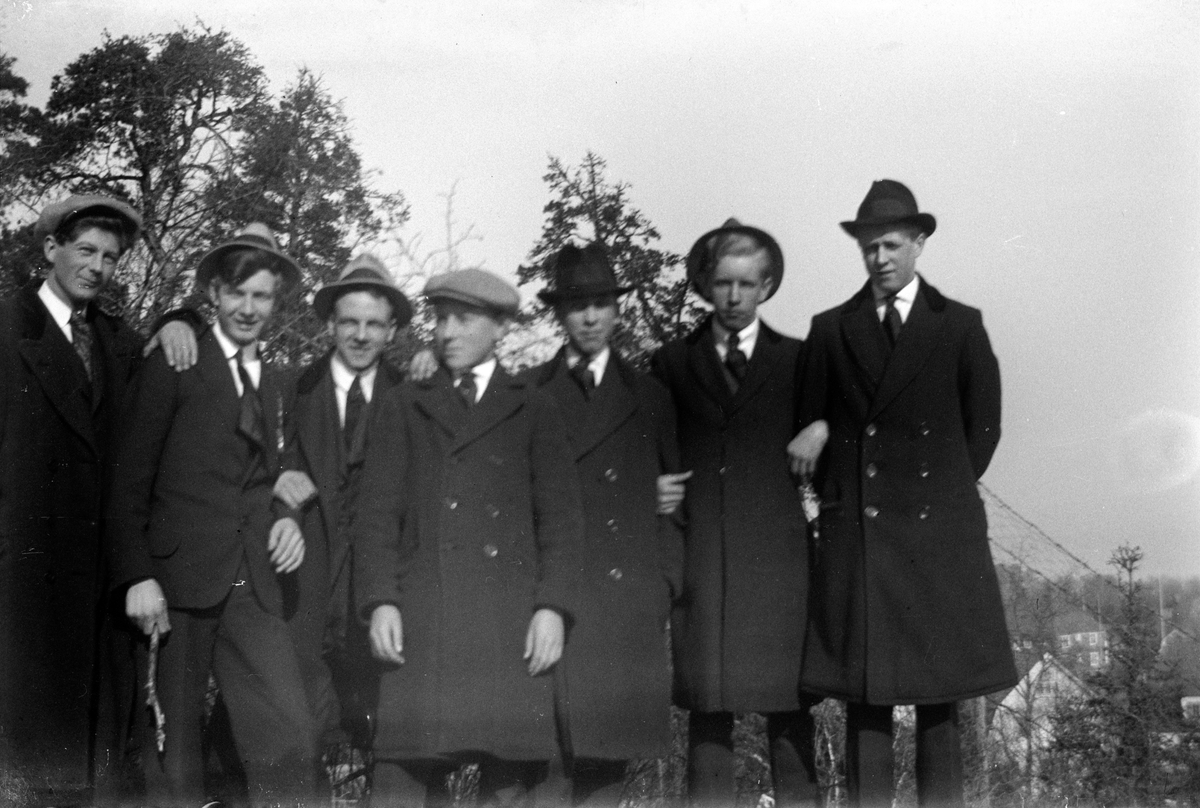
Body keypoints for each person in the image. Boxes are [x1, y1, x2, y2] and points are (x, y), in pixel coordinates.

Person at [788, 180, 1016, 808]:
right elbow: (806, 429)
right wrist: (825, 430)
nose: (879, 258)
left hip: (938, 539)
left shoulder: (959, 325)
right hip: (862, 540)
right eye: (869, 247)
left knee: (941, 701)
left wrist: (940, 493)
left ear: (919, 243)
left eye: (891, 245)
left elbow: (984, 428)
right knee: (866, 700)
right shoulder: (830, 329)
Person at [353, 267, 584, 808]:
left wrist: (552, 608)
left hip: (509, 624)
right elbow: (376, 517)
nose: (446, 332)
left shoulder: (533, 405)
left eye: (463, 319)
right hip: (422, 620)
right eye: (440, 319)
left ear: (501, 327)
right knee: (403, 780)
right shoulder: (405, 403)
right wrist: (380, 601)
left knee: (509, 783)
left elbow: (560, 521)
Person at [105, 223, 318, 806]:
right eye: (237, 293)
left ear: (276, 301)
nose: (248, 308)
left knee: (290, 735)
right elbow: (129, 480)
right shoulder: (177, 360)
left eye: (262, 296)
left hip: (252, 582)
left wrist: (287, 515)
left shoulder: (276, 382)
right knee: (174, 758)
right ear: (215, 294)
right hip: (177, 584)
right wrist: (136, 574)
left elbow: (280, 472)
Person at [0, 195, 197, 806]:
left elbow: (164, 353)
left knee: (89, 769)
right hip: (21, 586)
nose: (97, 267)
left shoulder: (117, 341)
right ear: (51, 248)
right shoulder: (7, 328)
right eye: (85, 250)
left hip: (94, 592)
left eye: (110, 257)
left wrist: (180, 317)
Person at [651, 219, 821, 808]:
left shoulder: (797, 360)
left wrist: (824, 426)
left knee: (789, 714)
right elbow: (649, 447)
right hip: (704, 564)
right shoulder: (671, 363)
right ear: (704, 285)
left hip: (778, 569)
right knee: (708, 715)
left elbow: (841, 427)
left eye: (746, 284)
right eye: (722, 282)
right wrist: (653, 487)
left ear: (766, 286)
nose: (733, 296)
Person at [525, 244, 684, 806]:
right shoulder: (527, 392)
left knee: (604, 775)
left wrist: (663, 587)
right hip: (550, 608)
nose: (590, 318)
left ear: (617, 310)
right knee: (544, 773)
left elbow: (675, 506)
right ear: (558, 314)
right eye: (576, 306)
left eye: (600, 304)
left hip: (624, 612)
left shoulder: (650, 397)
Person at [271, 253, 413, 787]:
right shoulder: (289, 389)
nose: (360, 335)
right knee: (295, 736)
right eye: (349, 322)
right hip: (302, 590)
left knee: (383, 747)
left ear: (392, 330)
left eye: (374, 324)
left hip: (379, 599)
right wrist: (279, 498)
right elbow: (250, 469)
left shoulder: (412, 397)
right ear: (330, 324)